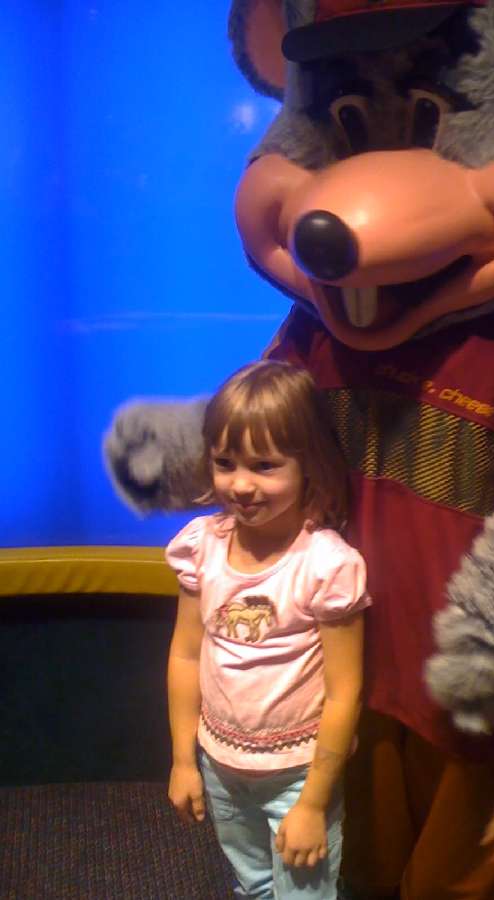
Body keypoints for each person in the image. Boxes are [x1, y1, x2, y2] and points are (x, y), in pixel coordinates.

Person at [165, 360, 370, 900]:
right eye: (224, 462)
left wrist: (314, 802)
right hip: (220, 764)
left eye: (264, 465)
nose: (240, 484)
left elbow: (344, 690)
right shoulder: (201, 547)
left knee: (304, 893)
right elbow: (186, 655)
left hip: (298, 774)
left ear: (309, 465)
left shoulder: (325, 565)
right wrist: (184, 760)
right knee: (253, 885)